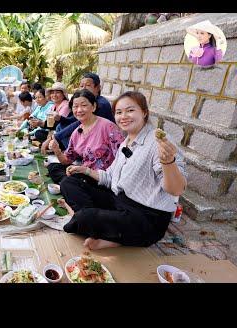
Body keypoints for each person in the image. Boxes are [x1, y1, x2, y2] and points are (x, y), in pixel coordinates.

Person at [60, 91, 187, 250]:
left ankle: (95, 226)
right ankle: (99, 225)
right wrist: (84, 170)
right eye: (119, 112)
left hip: (146, 218)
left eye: (130, 110)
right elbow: (109, 177)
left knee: (85, 217)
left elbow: (176, 189)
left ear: (144, 112)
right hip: (119, 201)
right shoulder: (126, 141)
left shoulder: (158, 141)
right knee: (69, 182)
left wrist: (169, 161)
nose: (123, 116)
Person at [47, 89, 125, 183]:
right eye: (75, 106)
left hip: (103, 178)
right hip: (84, 173)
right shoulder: (76, 132)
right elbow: (67, 160)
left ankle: (71, 186)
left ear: (94, 107)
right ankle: (71, 185)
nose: (79, 110)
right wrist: (57, 150)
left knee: (68, 182)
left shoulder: (108, 127)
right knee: (53, 167)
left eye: (84, 105)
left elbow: (122, 157)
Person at [42, 73, 114, 152]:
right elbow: (73, 120)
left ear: (97, 88)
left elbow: (78, 123)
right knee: (61, 126)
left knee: (64, 131)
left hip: (100, 141)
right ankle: (69, 151)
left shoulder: (101, 104)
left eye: (88, 85)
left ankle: (75, 154)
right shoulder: (87, 100)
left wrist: (54, 137)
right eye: (81, 86)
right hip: (90, 136)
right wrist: (60, 118)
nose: (84, 88)